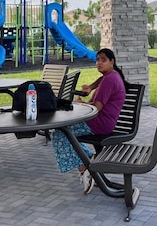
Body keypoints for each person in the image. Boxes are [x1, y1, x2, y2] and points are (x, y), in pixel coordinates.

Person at [51, 47, 127, 194]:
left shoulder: (109, 80)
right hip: (101, 121)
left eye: (103, 60)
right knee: (63, 131)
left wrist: (81, 103)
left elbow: (97, 108)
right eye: (97, 60)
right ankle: (90, 161)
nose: (99, 63)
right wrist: (90, 88)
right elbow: (101, 80)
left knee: (60, 134)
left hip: (99, 123)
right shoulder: (111, 75)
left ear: (112, 62)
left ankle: (86, 168)